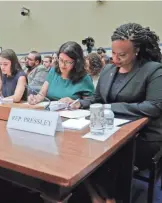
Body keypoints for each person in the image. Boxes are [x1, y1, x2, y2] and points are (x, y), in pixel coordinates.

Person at [67, 23, 162, 203]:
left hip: (143, 137)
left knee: (110, 155)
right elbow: (96, 99)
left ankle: (112, 197)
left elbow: (154, 107)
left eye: (122, 55)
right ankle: (99, 197)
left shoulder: (153, 70)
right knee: (76, 148)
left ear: (137, 51)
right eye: (114, 53)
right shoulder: (109, 70)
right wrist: (80, 103)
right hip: (108, 130)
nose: (115, 59)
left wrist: (111, 107)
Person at [28, 41, 94, 105]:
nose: (62, 65)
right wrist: (36, 98)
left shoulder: (84, 78)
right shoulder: (53, 71)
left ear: (77, 62)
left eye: (67, 62)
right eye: (61, 60)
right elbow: (42, 94)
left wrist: (76, 102)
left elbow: (91, 101)